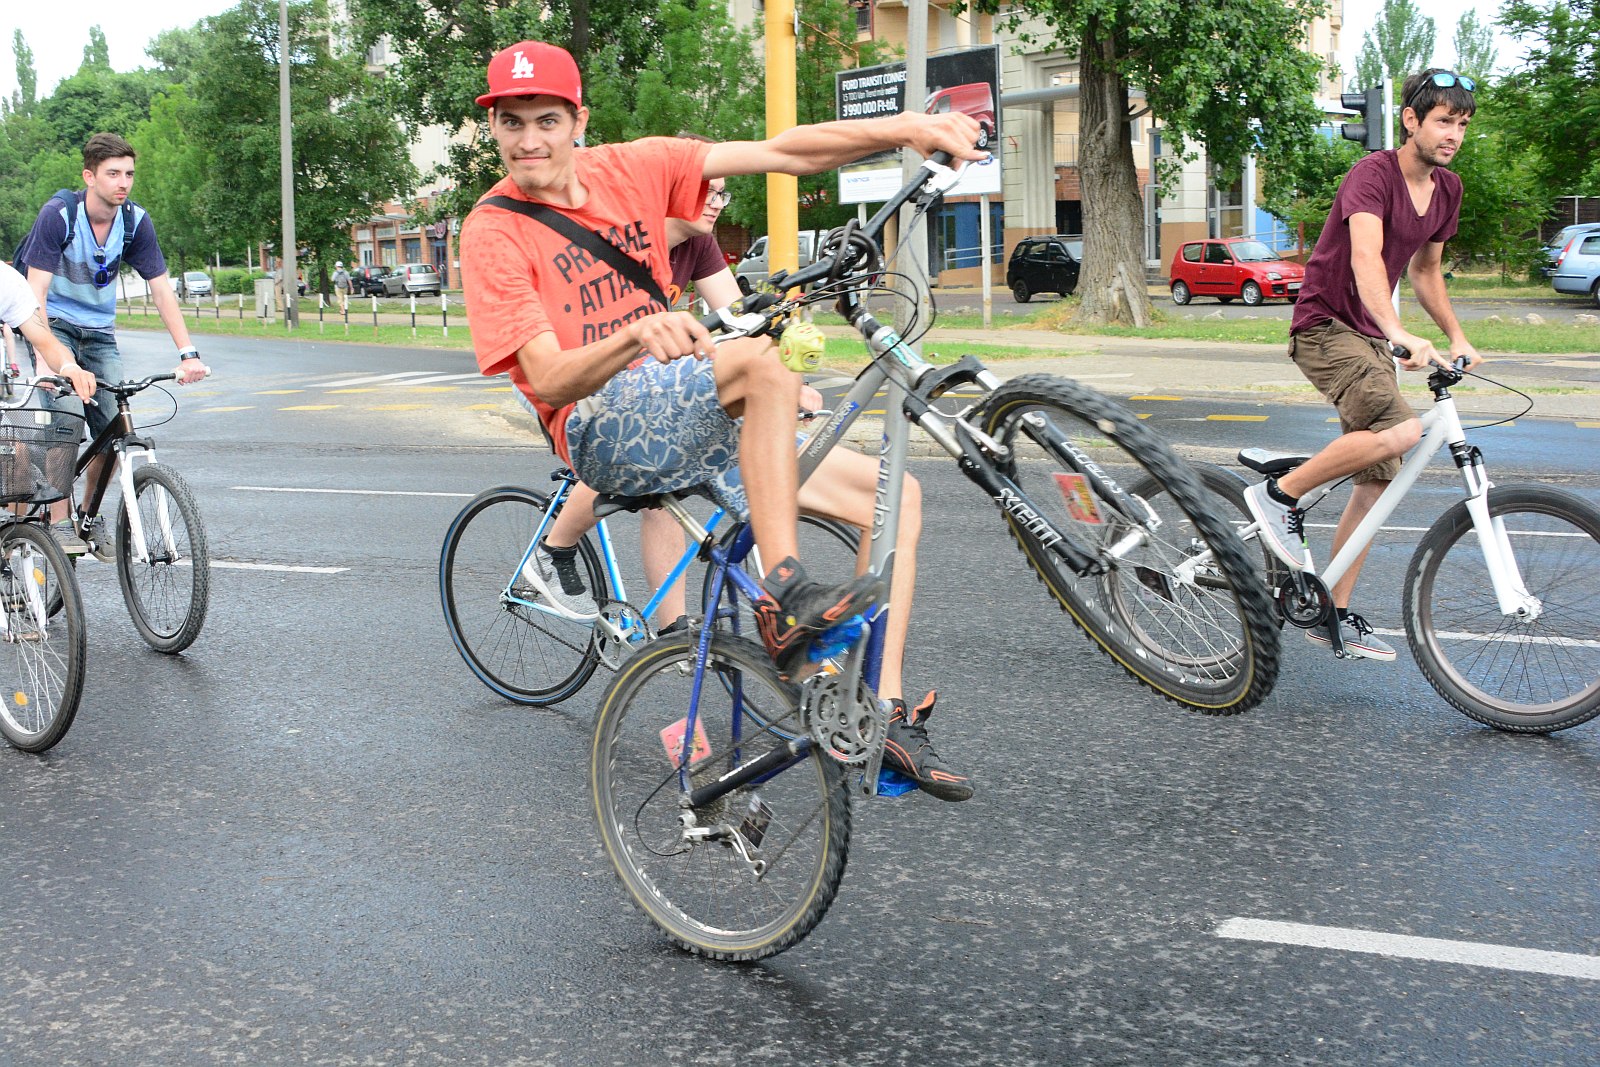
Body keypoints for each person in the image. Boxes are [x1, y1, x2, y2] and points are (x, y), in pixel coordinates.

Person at [460, 41, 984, 800]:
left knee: (894, 496)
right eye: (512, 123)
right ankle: (785, 599)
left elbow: (785, 152)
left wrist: (906, 129)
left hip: (685, 404)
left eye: (546, 120)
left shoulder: (635, 166)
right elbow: (546, 375)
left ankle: (882, 709)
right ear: (494, 128)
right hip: (599, 426)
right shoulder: (493, 230)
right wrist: (635, 336)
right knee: (760, 362)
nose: (529, 140)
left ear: (578, 121)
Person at [1243, 69, 1481, 661]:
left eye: (1461, 124)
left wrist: (1456, 336)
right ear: (1411, 120)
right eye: (1443, 121)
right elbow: (1366, 257)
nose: (1453, 135)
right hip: (1325, 325)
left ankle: (1332, 610)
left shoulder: (1447, 190)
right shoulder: (1372, 174)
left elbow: (1425, 270)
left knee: (1378, 477)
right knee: (1399, 430)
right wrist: (1398, 331)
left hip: (1371, 338)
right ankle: (1279, 495)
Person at [15, 133, 211, 556]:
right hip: (54, 325)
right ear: (90, 176)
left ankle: (89, 515)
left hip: (100, 332)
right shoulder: (59, 215)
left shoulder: (135, 222)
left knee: (112, 426)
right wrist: (47, 364)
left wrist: (188, 352)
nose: (123, 182)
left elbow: (160, 288)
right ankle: (60, 520)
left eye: (129, 174)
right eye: (113, 173)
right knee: (63, 421)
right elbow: (35, 294)